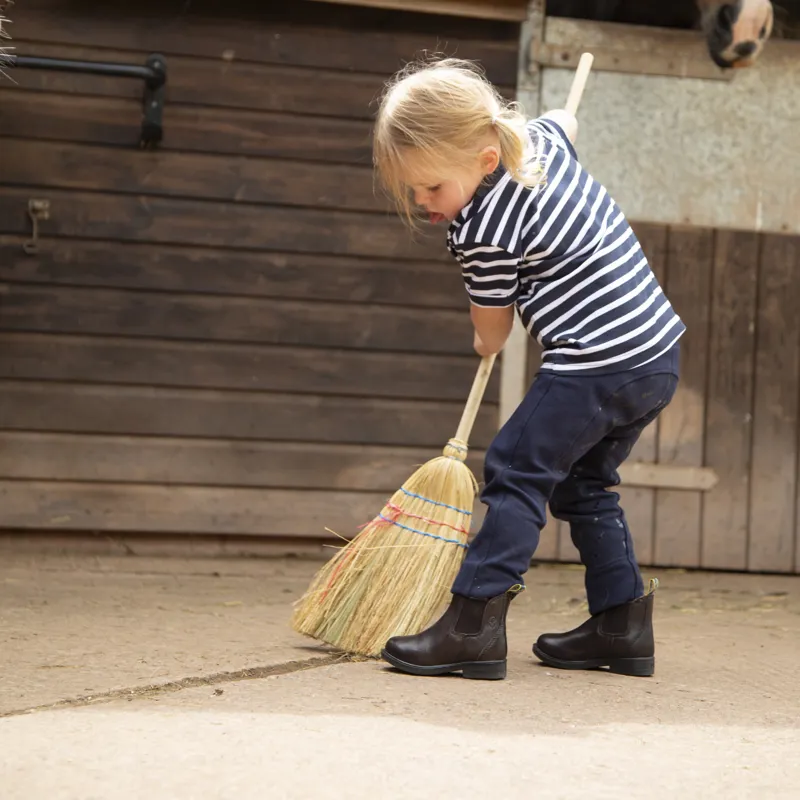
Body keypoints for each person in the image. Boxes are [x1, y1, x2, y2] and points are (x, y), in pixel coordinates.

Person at [372, 56, 684, 681]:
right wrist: (560, 118)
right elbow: (564, 120)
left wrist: (482, 338)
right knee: (583, 484)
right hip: (655, 354)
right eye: (412, 191)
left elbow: (494, 330)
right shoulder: (536, 141)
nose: (424, 202)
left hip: (596, 359)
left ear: (485, 159)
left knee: (516, 467)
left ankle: (472, 628)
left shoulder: (484, 228)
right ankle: (621, 625)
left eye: (432, 187)